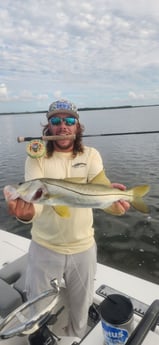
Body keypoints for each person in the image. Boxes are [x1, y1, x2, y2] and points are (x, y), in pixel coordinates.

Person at [5, 99, 130, 338]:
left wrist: (115, 204)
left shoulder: (91, 155)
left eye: (70, 120)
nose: (63, 125)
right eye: (56, 121)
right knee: (38, 308)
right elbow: (37, 203)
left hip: (83, 248)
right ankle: (40, 336)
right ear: (48, 127)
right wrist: (27, 214)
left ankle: (75, 338)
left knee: (81, 307)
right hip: (44, 247)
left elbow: (101, 190)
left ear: (77, 126)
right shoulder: (36, 158)